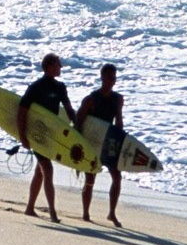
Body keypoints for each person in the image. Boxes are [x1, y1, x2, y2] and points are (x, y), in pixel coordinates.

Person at [16, 53, 75, 222]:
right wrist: (23, 136)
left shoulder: (60, 87)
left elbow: (69, 109)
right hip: (36, 134)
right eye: (58, 64)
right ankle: (52, 213)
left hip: (50, 135)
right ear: (49, 66)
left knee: (40, 172)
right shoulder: (36, 87)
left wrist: (76, 129)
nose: (61, 67)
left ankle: (29, 208)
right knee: (47, 170)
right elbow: (22, 112)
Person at [76, 63, 127, 226]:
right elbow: (78, 123)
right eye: (110, 78)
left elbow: (119, 122)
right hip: (92, 143)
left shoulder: (117, 99)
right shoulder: (90, 100)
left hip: (109, 142)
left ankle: (112, 213)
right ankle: (85, 213)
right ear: (102, 77)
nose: (113, 81)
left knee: (117, 177)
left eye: (114, 78)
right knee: (90, 178)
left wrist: (121, 141)